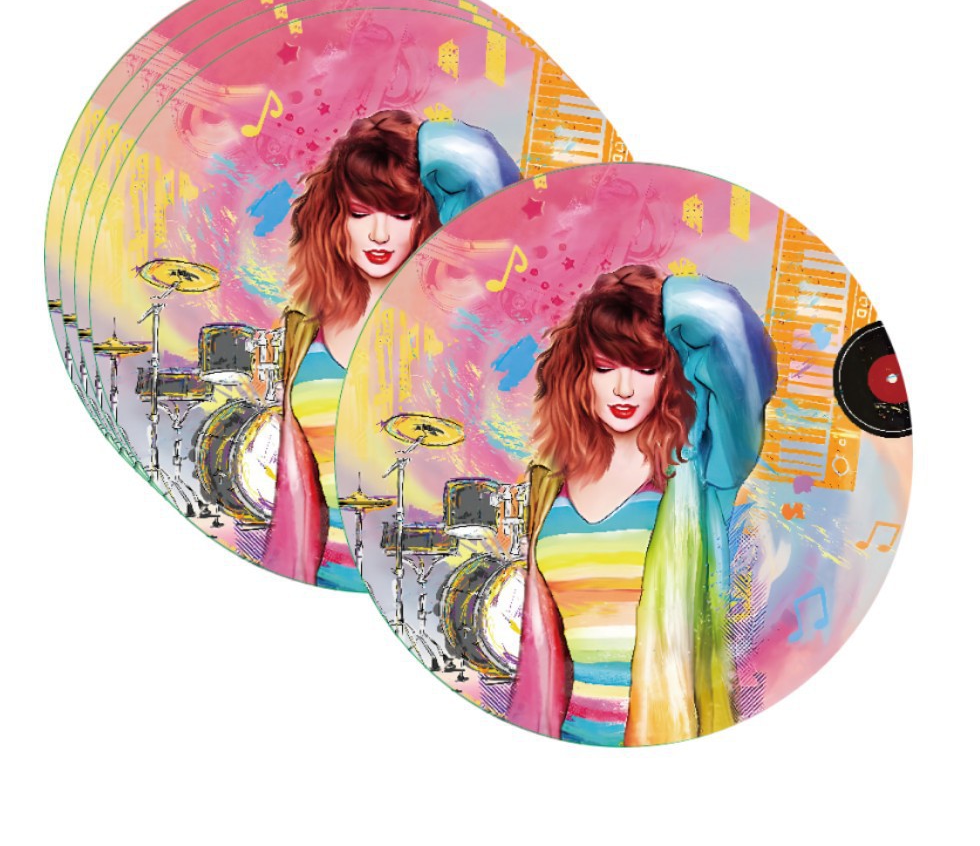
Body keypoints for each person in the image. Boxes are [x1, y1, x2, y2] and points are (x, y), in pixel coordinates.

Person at [506, 264, 777, 746]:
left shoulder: (701, 474)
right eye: (605, 367)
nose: (624, 389)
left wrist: (653, 300)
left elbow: (729, 328)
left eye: (645, 368)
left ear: (670, 373)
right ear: (579, 373)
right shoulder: (548, 487)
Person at [261, 109, 520, 590]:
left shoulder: (453, 337)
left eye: (401, 215)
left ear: (426, 218)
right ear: (335, 218)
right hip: (315, 579)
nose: (379, 234)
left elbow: (493, 189)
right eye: (361, 213)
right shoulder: (303, 334)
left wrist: (424, 146)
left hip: (423, 596)